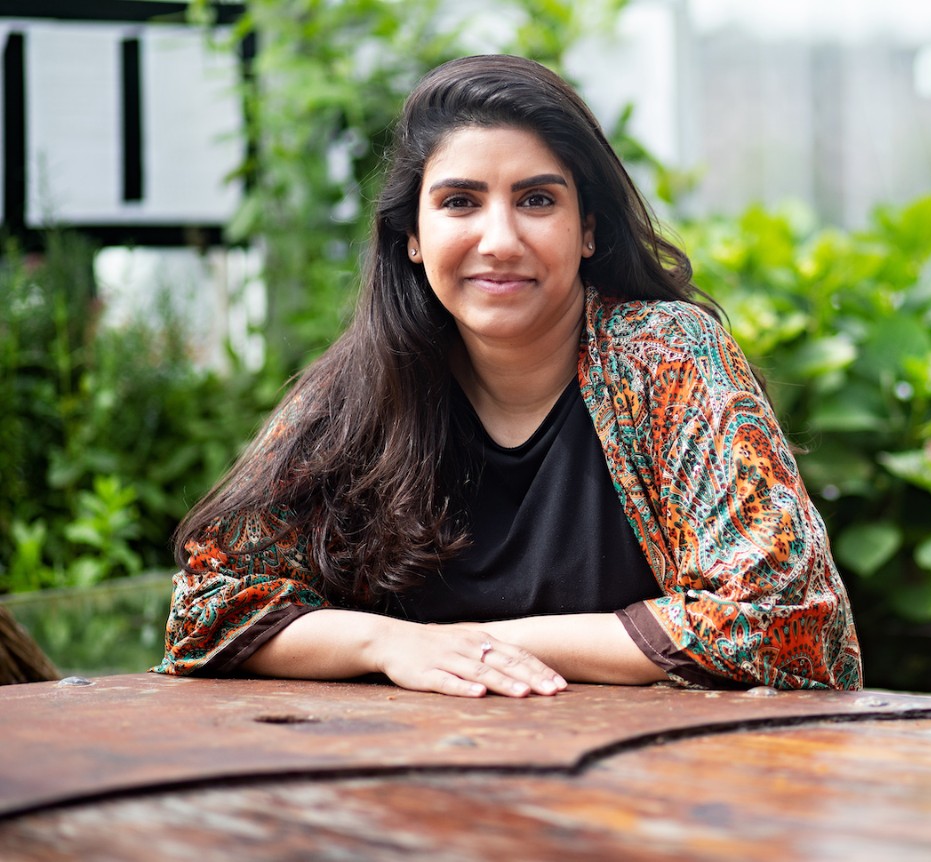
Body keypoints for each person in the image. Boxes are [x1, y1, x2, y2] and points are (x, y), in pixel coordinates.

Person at [156, 54, 861, 698]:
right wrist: (390, 644)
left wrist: (476, 648)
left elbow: (786, 617)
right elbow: (208, 609)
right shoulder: (362, 389)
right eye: (460, 202)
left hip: (655, 779)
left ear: (588, 229)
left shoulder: (667, 359)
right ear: (412, 236)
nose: (499, 241)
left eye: (537, 200)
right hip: (423, 776)